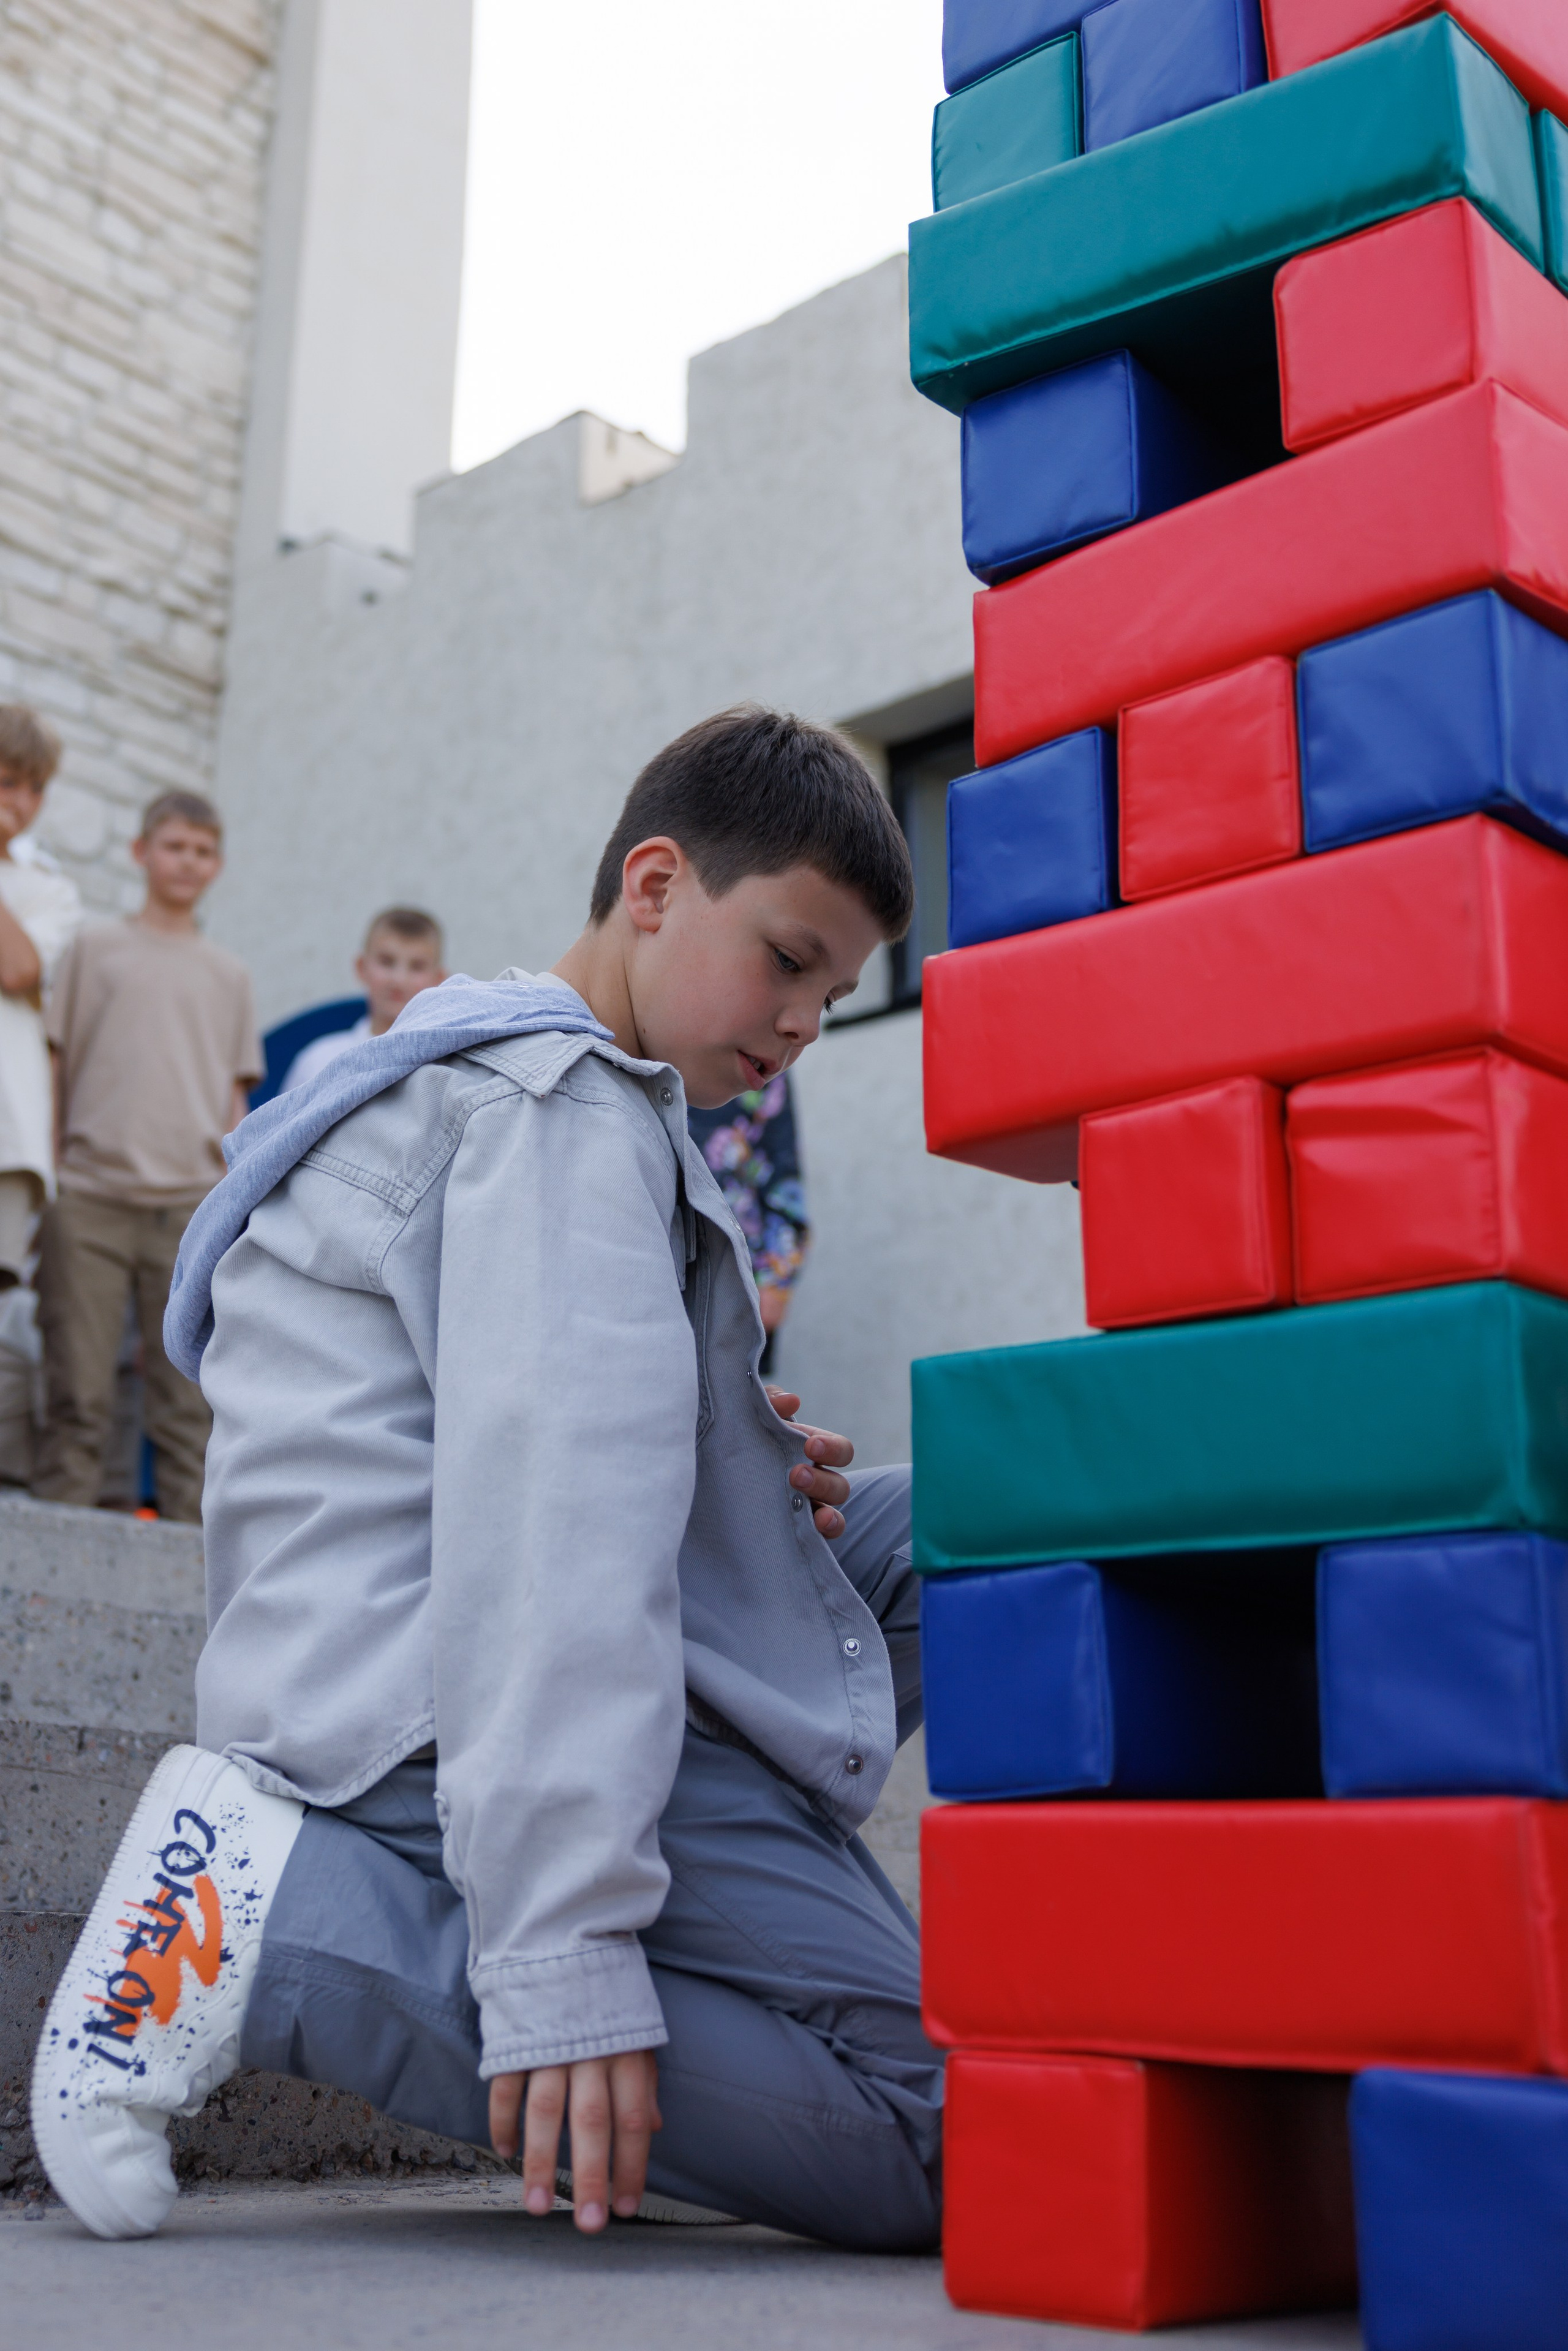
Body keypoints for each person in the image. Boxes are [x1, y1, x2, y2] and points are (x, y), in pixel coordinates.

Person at [32, 706, 939, 2254]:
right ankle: (285, 1928)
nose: (802, 1021)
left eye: (838, 992)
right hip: (430, 1702)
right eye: (787, 961)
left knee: (978, 1517)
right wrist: (561, 1947)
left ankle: (768, 1851)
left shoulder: (503, 1075)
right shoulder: (555, 1112)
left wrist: (724, 1458)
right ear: (651, 887)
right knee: (942, 2126)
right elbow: (551, 1545)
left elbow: (535, 1446)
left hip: (417, 1642)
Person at [31, 790, 262, 1523]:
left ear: (217, 865)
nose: (187, 862)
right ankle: (45, 1565)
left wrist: (228, 1204)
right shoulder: (95, 949)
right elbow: (55, 1067)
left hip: (188, 1210)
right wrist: (55, 1177)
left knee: (186, 1408)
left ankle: (188, 1581)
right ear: (141, 852)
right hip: (91, 1198)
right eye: (174, 846)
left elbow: (236, 1100)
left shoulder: (230, 974)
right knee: (78, 1398)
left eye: (202, 851)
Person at [0, 708, 80, 1292]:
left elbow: (19, 968)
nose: (23, 801)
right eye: (8, 782)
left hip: (9, 1137)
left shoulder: (50, 888)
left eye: (36, 788)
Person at [688, 1072, 808, 1375]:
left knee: (731, 1405)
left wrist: (776, 1281)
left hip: (741, 1276)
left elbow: (783, 1178)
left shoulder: (760, 1060)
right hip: (657, 1267)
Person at [281, 907, 447, 1092]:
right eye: (387, 962)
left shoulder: (448, 1070)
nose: (399, 980)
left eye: (417, 966)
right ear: (362, 967)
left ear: (439, 979)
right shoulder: (319, 1062)